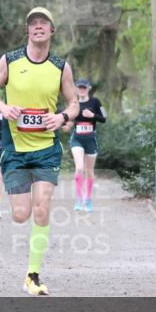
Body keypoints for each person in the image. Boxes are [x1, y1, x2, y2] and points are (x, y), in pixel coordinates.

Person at [0, 7, 79, 295]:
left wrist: (61, 117)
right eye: (33, 24)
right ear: (28, 31)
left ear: (51, 31)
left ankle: (32, 275)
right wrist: (4, 107)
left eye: (43, 23)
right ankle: (30, 270)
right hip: (15, 148)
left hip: (47, 148)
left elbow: (74, 103)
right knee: (21, 214)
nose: (38, 27)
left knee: (41, 207)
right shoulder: (10, 61)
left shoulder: (61, 67)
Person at [64, 78, 106, 212]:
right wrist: (68, 124)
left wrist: (92, 115)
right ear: (76, 89)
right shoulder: (73, 103)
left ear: (89, 89)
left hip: (91, 139)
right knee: (80, 167)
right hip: (77, 139)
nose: (82, 90)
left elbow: (104, 118)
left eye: (84, 88)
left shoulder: (95, 102)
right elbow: (69, 119)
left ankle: (88, 199)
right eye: (79, 88)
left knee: (89, 171)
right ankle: (78, 198)